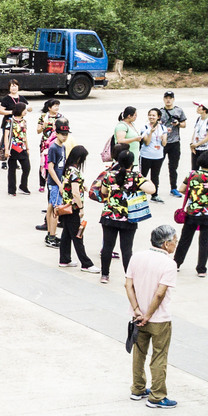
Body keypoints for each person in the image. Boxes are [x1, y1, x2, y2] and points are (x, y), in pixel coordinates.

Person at [125, 225, 179, 409]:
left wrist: (137, 310)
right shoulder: (169, 264)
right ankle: (157, 396)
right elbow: (159, 294)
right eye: (175, 241)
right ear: (166, 244)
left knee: (139, 353)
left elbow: (128, 285)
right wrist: (148, 315)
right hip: (159, 319)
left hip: (137, 316)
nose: (176, 245)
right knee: (159, 356)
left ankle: (138, 388)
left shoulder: (136, 257)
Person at [95, 149, 153, 284]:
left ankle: (104, 275)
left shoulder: (110, 175)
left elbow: (103, 191)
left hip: (109, 215)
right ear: (132, 163)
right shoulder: (136, 177)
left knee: (107, 247)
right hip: (129, 217)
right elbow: (151, 190)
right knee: (126, 249)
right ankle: (129, 276)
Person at [56, 144, 98, 272]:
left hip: (66, 207)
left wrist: (81, 185)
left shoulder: (68, 169)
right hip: (73, 208)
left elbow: (64, 189)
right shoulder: (75, 172)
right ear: (80, 159)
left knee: (67, 235)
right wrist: (81, 208)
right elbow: (75, 193)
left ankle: (64, 258)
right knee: (78, 236)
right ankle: (86, 263)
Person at [42, 119, 69, 248]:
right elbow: (50, 168)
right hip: (54, 183)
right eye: (62, 134)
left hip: (58, 182)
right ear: (56, 133)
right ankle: (51, 236)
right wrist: (60, 184)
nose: (65, 136)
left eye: (66, 134)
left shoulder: (62, 147)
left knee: (51, 207)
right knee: (55, 210)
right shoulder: (53, 147)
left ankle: (50, 234)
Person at [160, 91, 188, 196]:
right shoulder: (160, 111)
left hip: (175, 142)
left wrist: (178, 124)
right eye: (166, 98)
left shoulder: (178, 110)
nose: (168, 100)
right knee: (157, 166)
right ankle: (155, 189)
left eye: (170, 98)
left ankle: (174, 187)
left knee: (173, 167)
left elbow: (184, 124)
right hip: (163, 142)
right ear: (163, 99)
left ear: (173, 99)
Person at [35, 99, 65, 193]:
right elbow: (38, 131)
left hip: (57, 142)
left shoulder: (60, 117)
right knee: (44, 163)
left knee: (56, 162)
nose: (56, 107)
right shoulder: (44, 117)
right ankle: (42, 183)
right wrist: (44, 125)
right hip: (46, 143)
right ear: (49, 107)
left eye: (57, 105)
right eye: (54, 105)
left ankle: (55, 180)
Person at [138, 108, 166, 202]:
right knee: (143, 175)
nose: (151, 117)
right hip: (146, 155)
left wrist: (163, 138)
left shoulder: (163, 128)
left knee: (155, 176)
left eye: (154, 115)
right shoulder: (145, 128)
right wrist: (151, 132)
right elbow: (146, 142)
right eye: (150, 115)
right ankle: (139, 193)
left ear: (158, 117)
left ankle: (155, 195)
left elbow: (164, 144)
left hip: (158, 156)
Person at [5, 101, 31, 196]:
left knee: (27, 167)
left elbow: (25, 135)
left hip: (22, 147)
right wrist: (7, 149)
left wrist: (27, 148)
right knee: (12, 169)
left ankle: (23, 186)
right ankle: (11, 189)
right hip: (13, 147)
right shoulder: (10, 121)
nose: (25, 111)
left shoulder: (24, 122)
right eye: (24, 109)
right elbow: (6, 136)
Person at [189, 101, 208, 170]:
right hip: (196, 148)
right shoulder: (198, 119)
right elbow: (195, 132)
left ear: (204, 109)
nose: (197, 108)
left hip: (205, 149)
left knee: (205, 169)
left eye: (199, 106)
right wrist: (192, 144)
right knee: (194, 169)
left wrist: (197, 144)